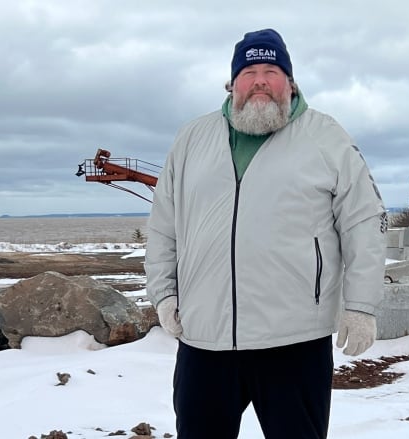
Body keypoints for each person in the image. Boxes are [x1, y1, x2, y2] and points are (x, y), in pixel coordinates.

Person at [145, 28, 387, 439]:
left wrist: (361, 305)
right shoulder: (190, 140)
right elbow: (164, 226)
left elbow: (365, 220)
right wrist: (164, 295)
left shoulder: (325, 136)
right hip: (205, 343)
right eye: (249, 71)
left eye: (272, 70)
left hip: (294, 340)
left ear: (290, 83)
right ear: (232, 83)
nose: (260, 80)